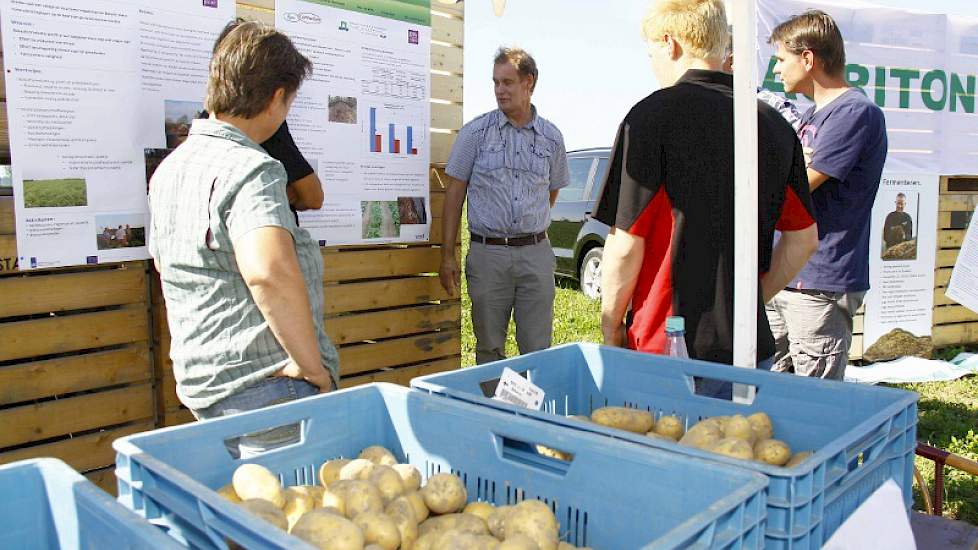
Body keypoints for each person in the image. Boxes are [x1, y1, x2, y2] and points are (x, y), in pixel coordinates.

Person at [595, 0, 818, 389]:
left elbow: (626, 245)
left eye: (651, 52)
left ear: (670, 43)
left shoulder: (650, 119)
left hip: (665, 349)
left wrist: (611, 326)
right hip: (749, 346)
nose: (652, 63)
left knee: (664, 449)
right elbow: (803, 239)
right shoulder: (771, 124)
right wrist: (748, 297)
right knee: (737, 448)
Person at [147, 21, 338, 456]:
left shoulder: (170, 171)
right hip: (267, 390)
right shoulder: (252, 170)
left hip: (206, 388)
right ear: (275, 98)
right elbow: (269, 272)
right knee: (286, 518)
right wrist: (313, 368)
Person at [766, 10, 888, 380]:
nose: (776, 70)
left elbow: (800, 185)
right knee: (767, 386)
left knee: (812, 398)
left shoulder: (855, 113)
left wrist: (782, 171)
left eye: (781, 59)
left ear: (808, 58)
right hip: (786, 274)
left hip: (820, 282)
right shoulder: (812, 115)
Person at [439, 47, 570, 364]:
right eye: (496, 82)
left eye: (508, 82)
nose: (500, 90)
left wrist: (528, 226)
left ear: (530, 82)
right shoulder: (476, 133)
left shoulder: (551, 138)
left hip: (535, 255)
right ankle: (491, 411)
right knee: (489, 348)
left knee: (538, 349)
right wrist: (446, 255)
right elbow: (454, 195)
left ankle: (532, 413)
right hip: (488, 256)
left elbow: (550, 194)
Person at [200, 18, 324, 218]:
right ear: (276, 98)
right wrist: (276, 191)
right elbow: (312, 197)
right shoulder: (257, 169)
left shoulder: (178, 159)